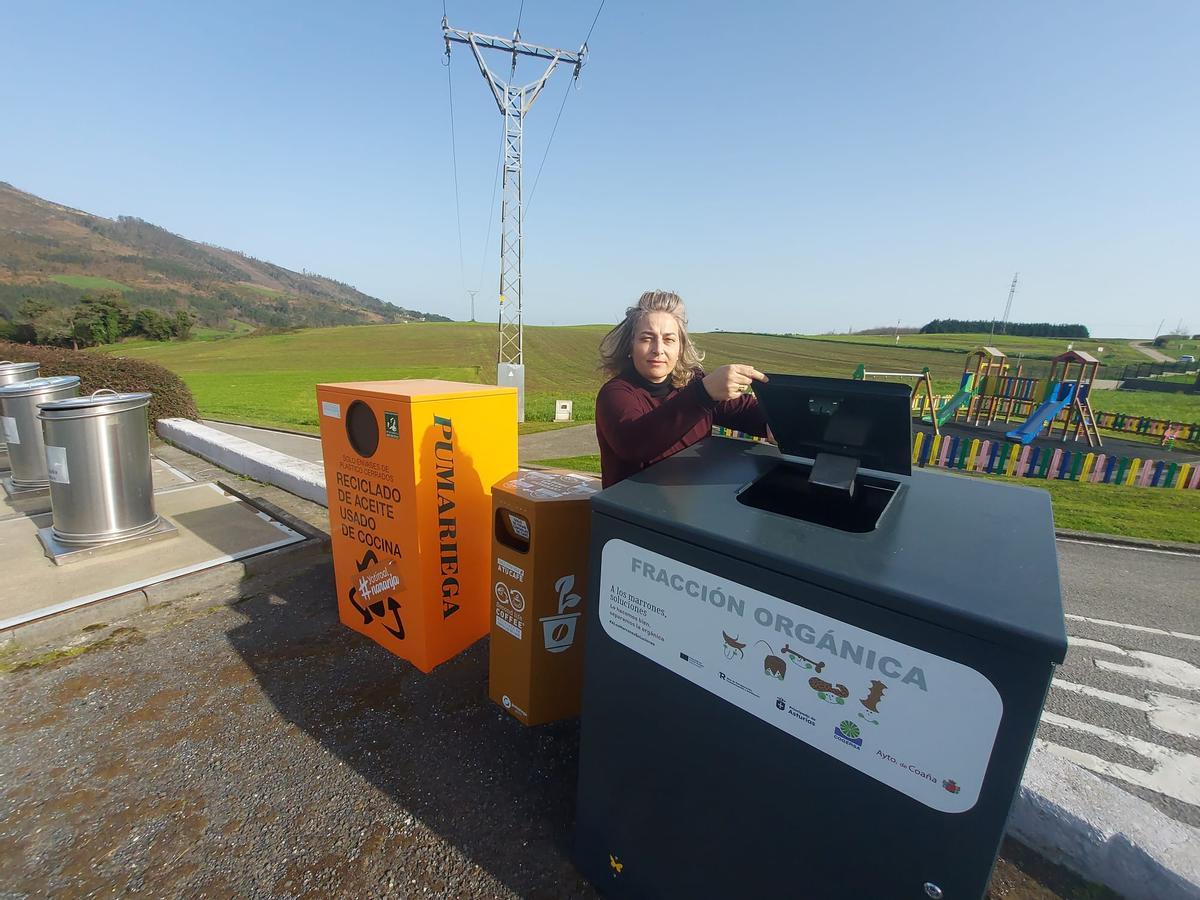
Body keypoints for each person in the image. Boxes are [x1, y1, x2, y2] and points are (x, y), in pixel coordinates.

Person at [595, 290, 769, 487]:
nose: (658, 349)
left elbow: (743, 410)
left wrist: (775, 424)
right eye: (647, 338)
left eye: (669, 339)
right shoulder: (615, 394)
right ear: (630, 346)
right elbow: (634, 444)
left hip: (691, 504)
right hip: (630, 505)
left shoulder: (692, 382)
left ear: (680, 348)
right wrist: (704, 394)